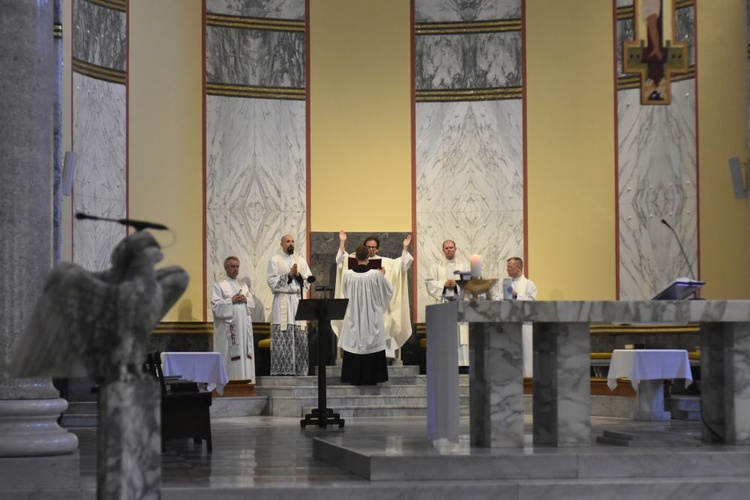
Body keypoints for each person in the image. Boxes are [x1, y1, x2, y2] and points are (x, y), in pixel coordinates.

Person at [334, 230, 413, 358]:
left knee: (386, 317)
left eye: (373, 247)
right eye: (368, 247)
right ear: (364, 248)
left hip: (375, 306)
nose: (371, 250)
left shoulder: (386, 262)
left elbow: (402, 267)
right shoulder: (353, 261)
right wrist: (342, 242)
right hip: (357, 307)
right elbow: (340, 261)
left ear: (378, 249)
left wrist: (405, 247)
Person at [339, 245, 393, 385]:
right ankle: (373, 377)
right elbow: (388, 291)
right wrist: (383, 275)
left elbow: (345, 293)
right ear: (368, 258)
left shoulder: (348, 274)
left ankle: (353, 377)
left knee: (354, 342)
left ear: (355, 258)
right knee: (372, 341)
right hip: (372, 315)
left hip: (354, 315)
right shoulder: (376, 274)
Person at [267, 234, 312, 376]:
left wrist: (298, 275)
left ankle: (300, 371)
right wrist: (289, 275)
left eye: (292, 241)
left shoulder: (301, 261)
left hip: (298, 300)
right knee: (283, 335)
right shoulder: (275, 260)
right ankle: (283, 372)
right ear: (281, 244)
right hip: (283, 301)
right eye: (287, 241)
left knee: (299, 336)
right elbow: (272, 282)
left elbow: (308, 282)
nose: (291, 243)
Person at [425, 239, 470, 366]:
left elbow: (470, 284)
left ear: (456, 249)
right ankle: (446, 362)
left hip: (459, 306)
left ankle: (462, 364)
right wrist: (443, 284)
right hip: (443, 305)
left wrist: (457, 284)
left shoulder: (464, 266)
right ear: (443, 250)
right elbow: (429, 283)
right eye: (447, 248)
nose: (449, 250)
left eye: (451, 247)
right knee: (445, 334)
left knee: (461, 335)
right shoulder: (436, 267)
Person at [211, 256, 256, 381]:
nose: (236, 269)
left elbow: (252, 304)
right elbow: (216, 307)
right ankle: (228, 382)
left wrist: (245, 299)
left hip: (244, 328)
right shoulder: (219, 285)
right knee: (230, 356)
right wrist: (231, 300)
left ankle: (246, 381)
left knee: (244, 355)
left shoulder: (244, 286)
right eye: (232, 266)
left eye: (237, 266)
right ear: (226, 268)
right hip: (229, 329)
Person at [496, 256, 537, 377]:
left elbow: (532, 302)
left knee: (526, 354)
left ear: (519, 268)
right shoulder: (507, 284)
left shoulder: (529, 284)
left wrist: (516, 295)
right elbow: (499, 298)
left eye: (510, 267)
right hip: (509, 325)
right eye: (507, 267)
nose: (507, 270)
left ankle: (527, 379)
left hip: (524, 325)